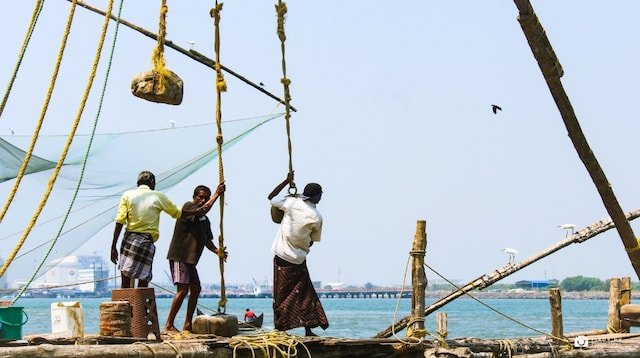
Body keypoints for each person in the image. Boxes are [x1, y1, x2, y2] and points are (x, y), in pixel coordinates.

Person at [110, 171, 216, 289]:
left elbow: (120, 220)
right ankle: (140, 306)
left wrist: (113, 245)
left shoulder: (127, 195)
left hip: (128, 239)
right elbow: (177, 213)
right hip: (145, 241)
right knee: (143, 279)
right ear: (152, 183)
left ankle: (126, 304)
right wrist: (197, 211)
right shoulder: (158, 196)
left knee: (125, 276)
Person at [268, 172, 329, 337]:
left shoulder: (292, 203)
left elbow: (271, 197)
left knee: (281, 294)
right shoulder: (317, 217)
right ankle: (308, 329)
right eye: (320, 195)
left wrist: (286, 181)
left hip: (281, 255)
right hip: (298, 259)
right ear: (316, 197)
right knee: (305, 294)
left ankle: (280, 328)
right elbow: (312, 241)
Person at [163, 183, 228, 334]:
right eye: (200, 197)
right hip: (180, 256)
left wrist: (217, 251)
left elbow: (206, 239)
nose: (203, 200)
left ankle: (187, 324)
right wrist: (216, 195)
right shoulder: (189, 208)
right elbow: (200, 211)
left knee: (196, 288)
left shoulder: (204, 219)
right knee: (183, 289)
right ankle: (168, 325)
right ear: (194, 197)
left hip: (191, 260)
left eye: (206, 198)